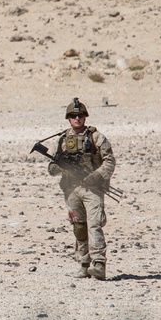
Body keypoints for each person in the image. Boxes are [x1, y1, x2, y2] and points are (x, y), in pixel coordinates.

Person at [48, 98, 116, 281]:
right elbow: (51, 168)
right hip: (71, 190)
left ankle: (99, 264)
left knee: (95, 225)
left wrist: (97, 176)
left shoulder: (96, 137)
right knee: (79, 227)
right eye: (73, 116)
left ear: (85, 117)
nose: (77, 118)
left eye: (80, 115)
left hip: (92, 189)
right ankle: (84, 264)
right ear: (68, 118)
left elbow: (109, 161)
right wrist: (61, 167)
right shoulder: (61, 140)